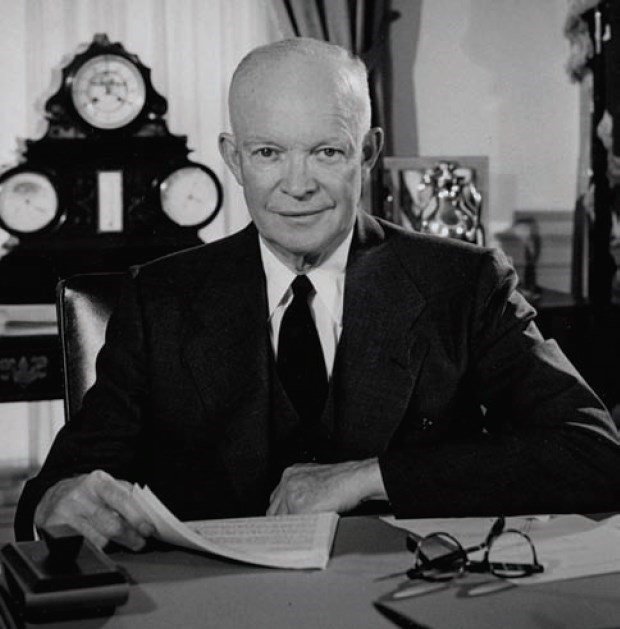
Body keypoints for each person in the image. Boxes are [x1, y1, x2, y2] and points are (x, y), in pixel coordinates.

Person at [16, 37, 620, 550]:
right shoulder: (160, 299)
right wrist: (59, 503)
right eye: (269, 153)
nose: (297, 184)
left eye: (326, 152)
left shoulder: (463, 283)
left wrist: (372, 475)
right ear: (233, 158)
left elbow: (596, 453)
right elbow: (50, 494)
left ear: (369, 152)